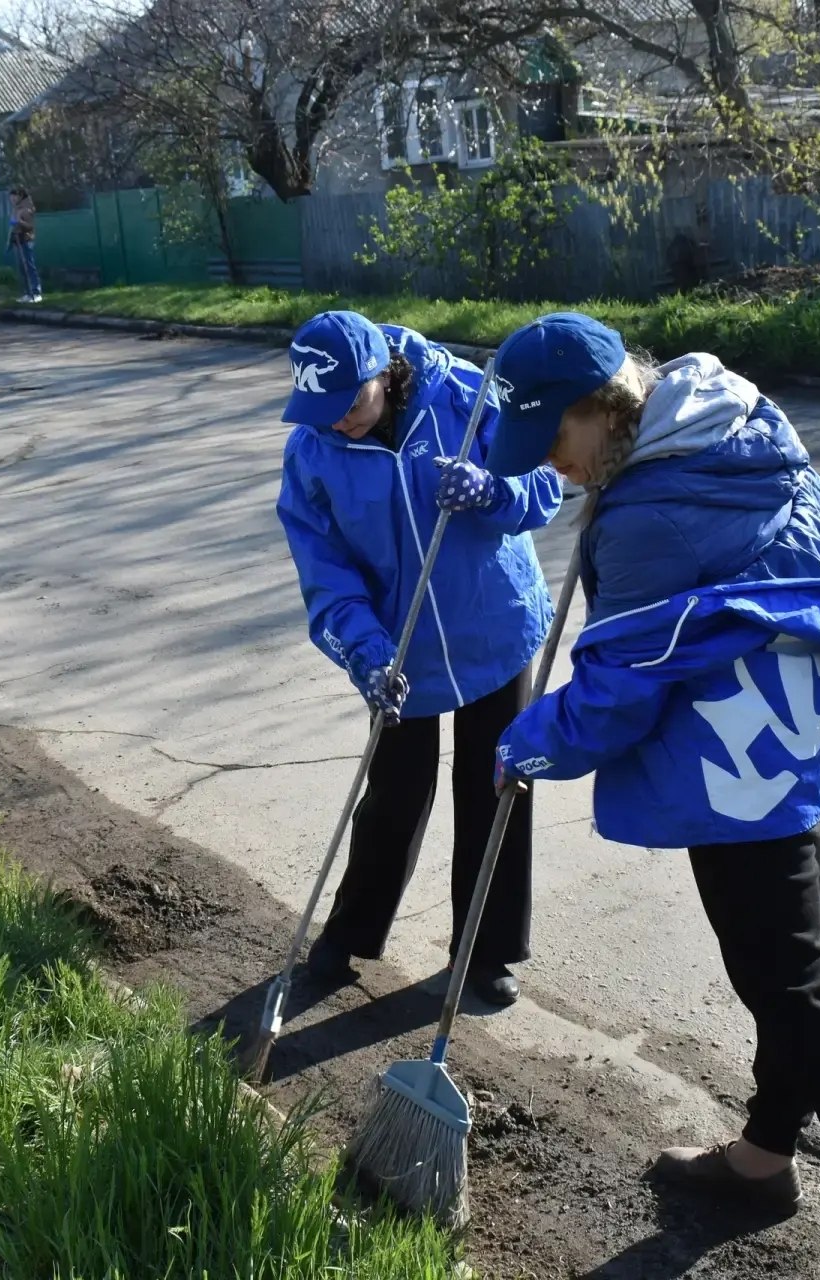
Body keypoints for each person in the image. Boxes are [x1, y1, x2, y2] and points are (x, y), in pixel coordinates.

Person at [483, 314, 820, 1280]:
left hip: (730, 768)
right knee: (787, 975)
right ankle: (764, 1157)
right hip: (788, 741)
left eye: (555, 444)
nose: (556, 468)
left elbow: (621, 691)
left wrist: (529, 741)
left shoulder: (651, 509)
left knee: (796, 990)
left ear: (601, 409)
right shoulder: (725, 424)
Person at [276, 311, 564, 1005]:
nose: (338, 421)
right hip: (398, 648)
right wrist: (367, 655)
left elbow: (545, 487)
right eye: (321, 409)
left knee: (494, 788)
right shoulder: (312, 454)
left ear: (384, 374)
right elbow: (328, 576)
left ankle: (485, 950)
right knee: (394, 794)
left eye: (350, 403)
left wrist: (494, 492)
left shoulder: (465, 397)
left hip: (492, 629)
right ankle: (349, 934)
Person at [9, 187, 42, 303]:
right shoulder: (16, 208)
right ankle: (27, 293)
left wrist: (20, 222)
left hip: (26, 240)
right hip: (18, 240)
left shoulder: (26, 208)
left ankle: (36, 292)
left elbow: (30, 226)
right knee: (22, 268)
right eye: (11, 196)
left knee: (29, 266)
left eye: (14, 196)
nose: (12, 198)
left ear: (20, 196)